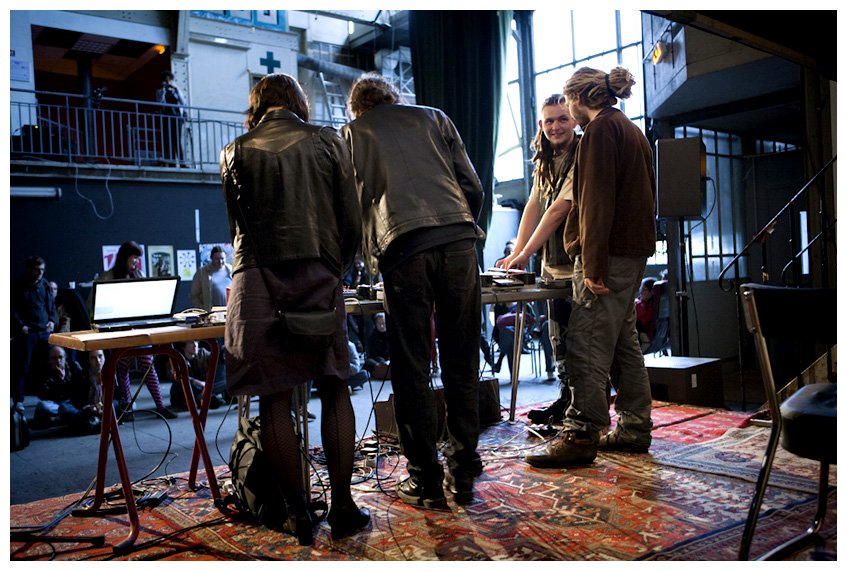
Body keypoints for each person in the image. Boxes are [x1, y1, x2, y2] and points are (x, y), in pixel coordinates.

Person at [221, 72, 368, 545]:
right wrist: (336, 269)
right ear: (299, 103)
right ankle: (343, 508)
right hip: (318, 272)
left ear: (256, 106)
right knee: (335, 386)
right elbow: (351, 220)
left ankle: (297, 515)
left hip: (256, 278)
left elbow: (236, 228)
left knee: (275, 396)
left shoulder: (234, 150)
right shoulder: (328, 141)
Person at [342, 72, 485, 507]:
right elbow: (472, 186)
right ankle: (464, 469)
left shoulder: (352, 134)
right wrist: (461, 229)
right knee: (462, 359)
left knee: (412, 367)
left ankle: (425, 479)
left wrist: (358, 260)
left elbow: (349, 206)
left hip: (403, 247)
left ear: (357, 108)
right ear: (393, 96)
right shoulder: (435, 117)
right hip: (459, 240)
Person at [526, 67, 656, 468]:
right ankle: (634, 429)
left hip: (609, 256)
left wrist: (594, 264)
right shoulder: (629, 129)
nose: (567, 112)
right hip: (631, 253)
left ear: (580, 98)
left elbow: (596, 206)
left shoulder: (600, 131)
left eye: (568, 103)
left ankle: (581, 434)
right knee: (622, 345)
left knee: (585, 343)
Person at [496, 93, 579, 425]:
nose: (555, 126)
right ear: (541, 124)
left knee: (584, 344)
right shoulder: (544, 159)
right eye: (549, 120)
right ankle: (567, 402)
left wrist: (525, 252)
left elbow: (560, 209)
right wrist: (517, 253)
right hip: (552, 266)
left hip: (578, 263)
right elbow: (533, 204)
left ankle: (585, 411)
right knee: (558, 338)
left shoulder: (582, 154)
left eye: (562, 119)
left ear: (574, 120)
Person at [91, 240, 178, 421]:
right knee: (123, 367)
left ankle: (160, 407)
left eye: (137, 259)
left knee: (148, 366)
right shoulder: (107, 277)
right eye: (134, 259)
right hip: (119, 330)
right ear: (125, 258)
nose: (136, 263)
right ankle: (127, 407)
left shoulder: (139, 274)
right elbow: (95, 304)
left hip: (139, 328)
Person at [11, 256, 58, 412]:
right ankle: (18, 400)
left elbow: (51, 307)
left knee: (50, 364)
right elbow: (12, 309)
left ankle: (51, 398)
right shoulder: (18, 286)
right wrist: (20, 326)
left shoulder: (45, 285)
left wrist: (52, 321)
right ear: (29, 269)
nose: (40, 273)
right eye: (37, 269)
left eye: (42, 270)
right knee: (22, 367)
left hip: (44, 331)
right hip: (28, 332)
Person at [33, 345, 101, 434]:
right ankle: (73, 418)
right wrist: (58, 382)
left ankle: (70, 419)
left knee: (68, 408)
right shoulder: (44, 371)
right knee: (43, 406)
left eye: (60, 357)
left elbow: (77, 392)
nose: (58, 361)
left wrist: (65, 381)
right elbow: (44, 395)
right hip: (55, 403)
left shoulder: (74, 367)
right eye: (54, 358)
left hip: (72, 403)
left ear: (65, 358)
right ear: (49, 360)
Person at [168, 340, 227, 410]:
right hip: (187, 389)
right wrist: (195, 381)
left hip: (203, 387)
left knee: (224, 380)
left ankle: (207, 398)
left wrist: (223, 354)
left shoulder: (202, 353)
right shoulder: (178, 358)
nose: (195, 345)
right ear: (183, 346)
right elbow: (175, 375)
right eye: (191, 342)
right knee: (182, 384)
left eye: (196, 342)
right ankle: (206, 399)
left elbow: (215, 357)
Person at [156, 70, 187, 166]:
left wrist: (175, 90)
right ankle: (171, 163)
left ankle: (182, 163)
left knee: (177, 139)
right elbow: (160, 102)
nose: (168, 82)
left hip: (176, 116)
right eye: (166, 80)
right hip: (166, 117)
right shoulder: (160, 91)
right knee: (167, 139)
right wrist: (164, 90)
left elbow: (183, 102)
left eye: (169, 80)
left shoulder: (176, 90)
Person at [191, 246, 233, 311]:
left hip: (230, 311)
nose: (220, 261)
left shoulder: (231, 270)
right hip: (212, 313)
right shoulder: (202, 273)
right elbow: (194, 296)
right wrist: (204, 310)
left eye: (222, 258)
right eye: (217, 259)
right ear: (211, 258)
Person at [635, 277, 658, 352]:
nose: (641, 292)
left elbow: (643, 320)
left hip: (645, 333)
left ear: (652, 292)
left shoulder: (651, 306)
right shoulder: (640, 302)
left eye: (644, 290)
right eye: (641, 289)